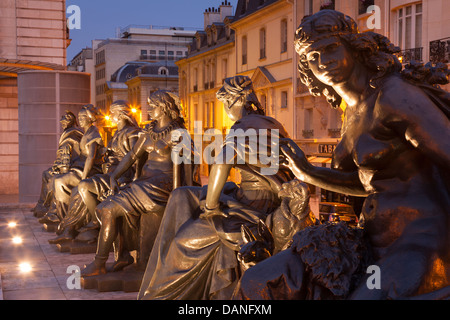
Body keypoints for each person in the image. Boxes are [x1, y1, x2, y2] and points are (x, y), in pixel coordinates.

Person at [236, 10, 450, 300]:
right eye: (312, 57)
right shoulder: (351, 113)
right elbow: (368, 183)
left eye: (330, 48)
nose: (323, 62)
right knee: (259, 281)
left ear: (354, 46)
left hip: (418, 243)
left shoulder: (394, 96)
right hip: (368, 241)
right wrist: (307, 171)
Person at [137, 76, 294, 300]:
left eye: (225, 105)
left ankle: (162, 293)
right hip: (254, 197)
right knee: (182, 194)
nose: (226, 112)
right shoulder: (273, 124)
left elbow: (222, 162)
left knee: (183, 243)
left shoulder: (243, 127)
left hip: (252, 205)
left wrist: (210, 206)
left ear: (234, 101)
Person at [81, 90, 195, 276]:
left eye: (153, 106)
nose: (148, 109)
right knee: (104, 208)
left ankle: (100, 262)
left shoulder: (178, 133)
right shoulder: (148, 132)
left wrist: (180, 195)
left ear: (164, 108)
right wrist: (114, 176)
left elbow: (186, 167)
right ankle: (122, 255)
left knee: (108, 209)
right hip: (144, 183)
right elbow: (131, 156)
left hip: (161, 185)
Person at [49, 101, 141, 248]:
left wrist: (129, 177)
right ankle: (70, 229)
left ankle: (95, 222)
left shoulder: (132, 133)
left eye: (112, 112)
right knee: (77, 193)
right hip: (110, 173)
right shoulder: (116, 133)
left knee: (83, 186)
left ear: (121, 114)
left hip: (122, 175)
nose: (110, 115)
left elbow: (135, 157)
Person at [40, 105, 104, 224]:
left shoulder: (93, 133)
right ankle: (61, 216)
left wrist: (84, 177)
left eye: (83, 116)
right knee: (55, 179)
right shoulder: (86, 133)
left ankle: (64, 219)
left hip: (89, 170)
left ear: (90, 118)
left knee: (59, 181)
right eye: (79, 117)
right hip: (79, 167)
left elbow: (91, 157)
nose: (80, 119)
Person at [33, 111, 83, 218]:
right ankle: (42, 205)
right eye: (63, 121)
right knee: (46, 174)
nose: (63, 123)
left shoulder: (73, 135)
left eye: (66, 120)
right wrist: (57, 165)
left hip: (73, 167)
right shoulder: (68, 134)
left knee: (52, 177)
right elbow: (62, 156)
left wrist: (62, 167)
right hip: (65, 164)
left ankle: (52, 210)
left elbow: (74, 156)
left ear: (73, 122)